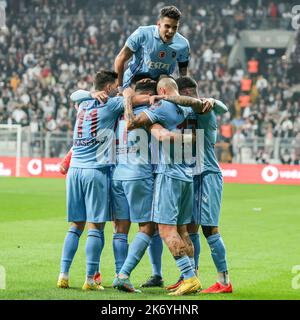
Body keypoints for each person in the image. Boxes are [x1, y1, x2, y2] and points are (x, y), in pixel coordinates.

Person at [144, 76, 233, 294]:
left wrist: (211, 99)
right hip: (189, 175)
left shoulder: (203, 108)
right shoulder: (182, 112)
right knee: (189, 229)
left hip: (206, 174)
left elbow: (220, 107)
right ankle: (189, 276)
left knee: (210, 230)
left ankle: (224, 281)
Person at [116, 76, 203, 296]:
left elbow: (133, 123)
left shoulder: (162, 107)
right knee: (183, 231)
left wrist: (128, 99)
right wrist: (188, 138)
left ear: (162, 91)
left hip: (168, 174)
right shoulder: (186, 109)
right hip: (186, 175)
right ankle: (190, 277)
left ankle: (189, 278)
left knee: (164, 230)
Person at [57, 70, 124, 291]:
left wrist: (89, 93)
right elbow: (132, 98)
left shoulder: (83, 103)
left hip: (74, 170)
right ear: (107, 89)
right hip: (95, 171)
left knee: (75, 226)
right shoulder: (113, 104)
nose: (118, 89)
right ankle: (89, 279)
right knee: (96, 227)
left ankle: (63, 275)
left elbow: (74, 95)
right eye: (115, 86)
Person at [114, 5, 190, 89]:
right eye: (167, 26)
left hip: (160, 82)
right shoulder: (142, 33)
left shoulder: (183, 44)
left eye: (174, 27)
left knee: (170, 84)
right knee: (133, 98)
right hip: (135, 79)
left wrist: (184, 92)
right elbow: (120, 59)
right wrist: (120, 88)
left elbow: (183, 73)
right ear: (159, 24)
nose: (171, 31)